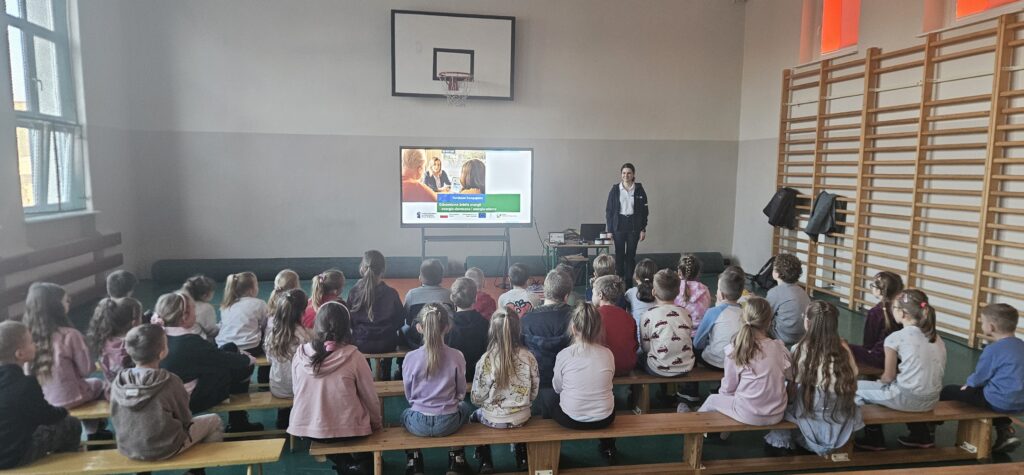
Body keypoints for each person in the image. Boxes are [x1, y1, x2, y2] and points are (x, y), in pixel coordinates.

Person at [902, 303, 1023, 453]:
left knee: (948, 391)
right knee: (992, 393)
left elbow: (980, 376)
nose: (981, 324)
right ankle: (1005, 430)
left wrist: (969, 385)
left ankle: (927, 430)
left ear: (991, 327)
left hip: (999, 401)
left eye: (982, 322)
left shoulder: (993, 350)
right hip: (1021, 402)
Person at [289, 302, 381, 475]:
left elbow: (297, 390)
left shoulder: (300, 354)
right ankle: (352, 464)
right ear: (347, 326)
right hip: (349, 429)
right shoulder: (354, 356)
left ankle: (345, 463)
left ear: (317, 325)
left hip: (309, 428)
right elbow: (370, 396)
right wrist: (376, 422)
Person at [111, 324, 224, 463]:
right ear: (162, 352)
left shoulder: (119, 381)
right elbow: (185, 417)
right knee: (214, 420)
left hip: (128, 447)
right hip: (165, 447)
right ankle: (198, 470)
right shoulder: (169, 381)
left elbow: (116, 415)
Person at [764, 301, 862, 456]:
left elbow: (792, 382)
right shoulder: (843, 348)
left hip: (812, 417)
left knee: (781, 395)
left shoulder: (800, 348)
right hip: (840, 417)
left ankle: (782, 440)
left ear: (808, 323)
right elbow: (853, 377)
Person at [155, 291, 261, 432]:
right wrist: (248, 359)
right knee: (243, 367)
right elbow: (222, 359)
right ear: (185, 317)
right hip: (191, 399)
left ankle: (238, 420)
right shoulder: (192, 342)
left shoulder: (159, 336)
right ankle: (238, 422)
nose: (196, 314)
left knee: (230, 347)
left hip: (172, 392)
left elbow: (213, 355)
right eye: (194, 310)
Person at [854, 289, 946, 451]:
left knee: (854, 389)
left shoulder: (895, 338)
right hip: (931, 400)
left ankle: (874, 438)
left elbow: (888, 377)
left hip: (906, 399)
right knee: (896, 389)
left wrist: (879, 383)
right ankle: (921, 435)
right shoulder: (936, 337)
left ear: (902, 313)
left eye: (894, 307)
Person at [401, 304, 473, 475]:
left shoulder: (410, 358)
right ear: (447, 327)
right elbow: (461, 392)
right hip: (448, 422)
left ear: (419, 328)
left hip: (419, 422)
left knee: (404, 414)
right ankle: (456, 458)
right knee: (465, 408)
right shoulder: (457, 355)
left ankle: (414, 459)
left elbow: (409, 395)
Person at [0, 320, 82, 470]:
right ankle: (68, 469)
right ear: (20, 354)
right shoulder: (25, 384)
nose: (35, 345)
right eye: (31, 342)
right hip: (15, 456)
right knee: (72, 424)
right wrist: (63, 410)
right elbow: (48, 416)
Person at [698, 297, 791, 428]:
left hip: (748, 414)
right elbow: (788, 376)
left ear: (742, 319)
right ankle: (723, 431)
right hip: (777, 413)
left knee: (712, 400)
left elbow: (729, 387)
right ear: (769, 322)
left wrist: (727, 398)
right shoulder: (779, 347)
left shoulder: (736, 349)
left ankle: (706, 431)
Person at [470, 309, 539, 472]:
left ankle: (485, 458)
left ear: (492, 331)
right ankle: (521, 453)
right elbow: (534, 393)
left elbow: (477, 397)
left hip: (492, 418)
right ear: (518, 329)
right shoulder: (529, 356)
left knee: (473, 417)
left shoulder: (487, 359)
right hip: (521, 418)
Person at [23, 283, 108, 412]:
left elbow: (27, 374)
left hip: (44, 401)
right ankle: (93, 429)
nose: (68, 304)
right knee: (98, 383)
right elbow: (86, 370)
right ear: (56, 306)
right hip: (72, 397)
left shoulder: (28, 337)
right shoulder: (70, 335)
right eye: (66, 301)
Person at [552, 303, 618, 464]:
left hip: (571, 419)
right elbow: (610, 380)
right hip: (605, 418)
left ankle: (554, 448)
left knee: (549, 400)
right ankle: (608, 446)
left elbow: (557, 387)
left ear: (573, 329)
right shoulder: (608, 353)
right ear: (598, 329)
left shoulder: (564, 355)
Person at [521, 269, 574, 418]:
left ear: (544, 291)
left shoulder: (526, 319)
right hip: (568, 383)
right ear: (567, 296)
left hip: (534, 383)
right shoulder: (576, 318)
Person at [348, 251, 405, 380]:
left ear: (362, 268)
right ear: (383, 270)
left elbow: (350, 320)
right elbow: (400, 320)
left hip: (361, 342)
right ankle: (386, 371)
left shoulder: (354, 292)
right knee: (392, 335)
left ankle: (366, 373)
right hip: (387, 342)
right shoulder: (391, 293)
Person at [264, 289, 314, 429]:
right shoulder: (304, 337)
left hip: (277, 387)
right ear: (303, 311)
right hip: (298, 389)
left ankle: (283, 417)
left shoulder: (272, 334)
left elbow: (269, 359)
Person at [216, 272, 271, 387]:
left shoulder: (226, 305)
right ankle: (264, 380)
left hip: (223, 347)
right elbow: (266, 326)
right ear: (252, 289)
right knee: (269, 344)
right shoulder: (259, 304)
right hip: (249, 347)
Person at [640, 270, 694, 378]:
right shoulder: (686, 313)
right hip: (686, 367)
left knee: (639, 357)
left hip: (658, 369)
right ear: (678, 291)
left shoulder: (648, 315)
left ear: (653, 292)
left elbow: (645, 347)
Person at [848, 272, 904, 370]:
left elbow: (868, 345)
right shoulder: (901, 310)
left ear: (879, 291)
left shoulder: (875, 313)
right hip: (899, 358)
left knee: (843, 346)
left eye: (872, 285)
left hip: (880, 359)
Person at [605, 163, 649, 284]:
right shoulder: (615, 190)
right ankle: (619, 280)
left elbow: (645, 211)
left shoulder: (639, 189)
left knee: (630, 255)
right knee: (619, 254)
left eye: (629, 173)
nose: (626, 175)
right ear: (621, 174)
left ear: (633, 174)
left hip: (634, 225)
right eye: (624, 173)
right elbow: (609, 211)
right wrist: (609, 230)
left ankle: (629, 281)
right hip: (619, 224)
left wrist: (643, 229)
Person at [694, 268, 746, 370]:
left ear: (721, 294)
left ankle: (691, 386)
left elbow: (697, 343)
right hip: (738, 364)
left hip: (715, 363)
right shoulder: (745, 313)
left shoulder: (713, 312)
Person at [86, 297, 143, 382]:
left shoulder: (102, 337)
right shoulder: (134, 346)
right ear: (135, 323)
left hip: (113, 387)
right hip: (133, 389)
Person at [401, 259, 452, 349]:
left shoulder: (412, 294)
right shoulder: (448, 294)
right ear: (441, 278)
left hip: (418, 338)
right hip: (443, 337)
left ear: (420, 277)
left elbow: (407, 318)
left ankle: (401, 361)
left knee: (403, 328)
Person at [593, 275, 638, 376]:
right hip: (625, 366)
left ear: (600, 295)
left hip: (601, 366)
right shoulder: (628, 317)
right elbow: (635, 344)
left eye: (593, 293)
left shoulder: (593, 316)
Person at [446, 277, 490, 381]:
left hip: (453, 375)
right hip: (478, 375)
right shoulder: (485, 323)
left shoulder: (447, 325)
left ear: (452, 298)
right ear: (475, 298)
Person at [766, 254, 810, 346]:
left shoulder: (775, 292)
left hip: (782, 336)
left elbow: (764, 315)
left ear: (776, 273)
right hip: (802, 336)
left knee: (756, 319)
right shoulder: (802, 291)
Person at [675, 254, 712, 331]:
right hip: (700, 332)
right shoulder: (705, 289)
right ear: (698, 273)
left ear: (679, 272)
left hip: (680, 332)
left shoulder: (675, 289)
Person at [624, 258, 659, 336]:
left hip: (637, 338)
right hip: (658, 337)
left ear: (636, 276)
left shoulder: (630, 293)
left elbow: (627, 314)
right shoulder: (659, 292)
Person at [181, 275, 220, 342]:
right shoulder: (206, 308)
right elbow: (211, 331)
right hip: (197, 342)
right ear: (205, 295)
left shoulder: (178, 303)